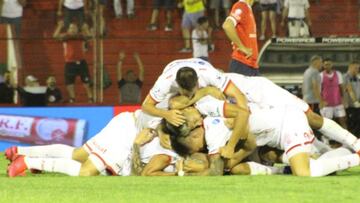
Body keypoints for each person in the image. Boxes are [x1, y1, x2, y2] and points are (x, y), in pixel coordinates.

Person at [169, 94, 360, 177]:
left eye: (195, 149)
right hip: (278, 129)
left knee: (305, 173)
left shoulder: (212, 133)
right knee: (254, 162)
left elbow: (217, 170)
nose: (199, 150)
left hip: (286, 123)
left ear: (193, 138)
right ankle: (344, 152)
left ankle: (356, 157)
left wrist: (187, 173)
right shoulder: (209, 110)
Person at [141, 58, 250, 159]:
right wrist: (166, 115)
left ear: (198, 82)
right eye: (185, 94)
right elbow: (146, 106)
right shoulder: (165, 82)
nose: (188, 97)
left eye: (191, 94)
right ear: (177, 85)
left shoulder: (210, 74)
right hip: (174, 73)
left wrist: (241, 122)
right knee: (173, 106)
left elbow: (239, 95)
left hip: (204, 73)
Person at [53, 20, 93, 103]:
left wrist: (86, 28)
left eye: (74, 28)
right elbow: (55, 36)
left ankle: (90, 98)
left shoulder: (80, 36)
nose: (73, 29)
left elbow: (90, 37)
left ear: (77, 29)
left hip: (81, 62)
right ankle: (72, 98)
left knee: (86, 81)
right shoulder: (66, 37)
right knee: (69, 82)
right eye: (71, 28)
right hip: (70, 62)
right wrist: (60, 26)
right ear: (68, 30)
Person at [222, 0, 259, 76]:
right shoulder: (241, 6)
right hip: (242, 64)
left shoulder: (247, 8)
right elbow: (227, 26)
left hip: (250, 65)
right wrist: (241, 47)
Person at [319, 58, 347, 129]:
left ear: (332, 65)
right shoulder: (321, 75)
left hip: (338, 103)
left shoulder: (338, 74)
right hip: (327, 104)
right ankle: (326, 139)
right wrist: (321, 101)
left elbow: (341, 88)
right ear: (323, 65)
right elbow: (318, 90)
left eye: (329, 64)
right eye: (326, 64)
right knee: (327, 124)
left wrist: (343, 100)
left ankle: (346, 138)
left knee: (343, 120)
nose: (327, 66)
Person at [343, 61, 360, 136]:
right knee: (352, 123)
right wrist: (356, 102)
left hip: (357, 105)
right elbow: (350, 90)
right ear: (350, 67)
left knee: (358, 122)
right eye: (355, 68)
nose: (357, 70)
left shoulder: (357, 77)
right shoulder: (346, 77)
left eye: (358, 68)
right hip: (350, 105)